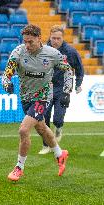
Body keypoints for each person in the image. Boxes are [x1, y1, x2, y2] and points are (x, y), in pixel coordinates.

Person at [2, 24, 73, 181]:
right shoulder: (18, 52)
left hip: (42, 97)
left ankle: (19, 167)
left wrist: (67, 91)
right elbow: (6, 74)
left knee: (23, 130)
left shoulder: (52, 54)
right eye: (25, 41)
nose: (27, 45)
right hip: (26, 97)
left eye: (30, 42)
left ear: (39, 39)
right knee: (41, 128)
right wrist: (6, 83)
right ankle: (60, 154)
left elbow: (68, 69)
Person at [38, 25, 84, 155]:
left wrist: (78, 84)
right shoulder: (42, 50)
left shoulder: (70, 52)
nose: (56, 41)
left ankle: (58, 127)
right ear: (50, 37)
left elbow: (80, 70)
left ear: (62, 38)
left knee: (57, 118)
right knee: (44, 119)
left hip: (63, 89)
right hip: (45, 88)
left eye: (58, 38)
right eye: (53, 38)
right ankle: (46, 145)